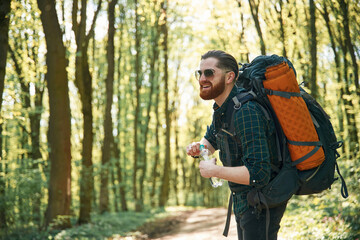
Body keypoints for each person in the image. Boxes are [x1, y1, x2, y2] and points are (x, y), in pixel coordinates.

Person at [186, 50, 287, 240]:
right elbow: (211, 140)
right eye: (200, 73)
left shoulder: (246, 112)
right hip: (245, 202)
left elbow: (259, 174)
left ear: (230, 77)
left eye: (209, 73)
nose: (202, 79)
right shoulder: (222, 109)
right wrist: (198, 148)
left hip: (261, 203)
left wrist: (215, 171)